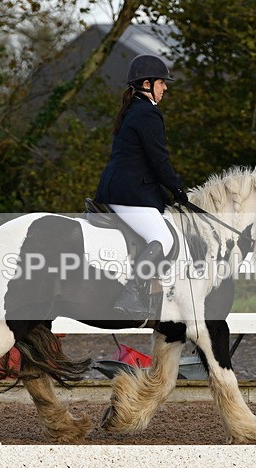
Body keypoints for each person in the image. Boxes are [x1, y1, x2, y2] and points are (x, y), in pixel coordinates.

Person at [94, 54, 189, 317]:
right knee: (163, 238)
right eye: (162, 82)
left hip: (124, 188)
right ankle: (132, 292)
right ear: (147, 84)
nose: (165, 87)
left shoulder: (133, 109)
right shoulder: (147, 112)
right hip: (129, 192)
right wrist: (177, 190)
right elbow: (158, 159)